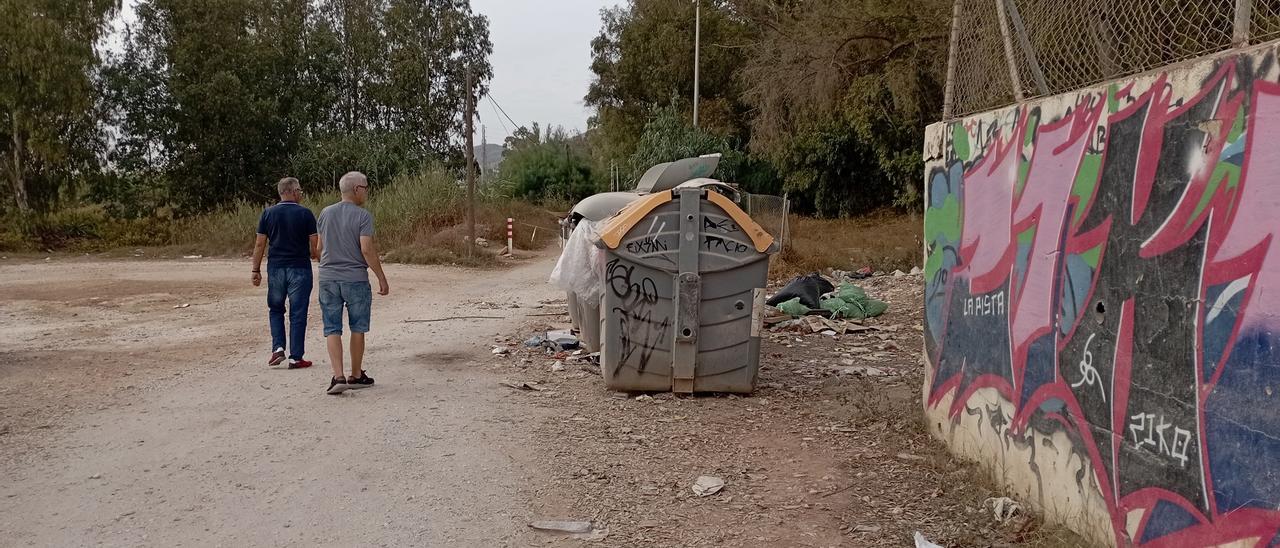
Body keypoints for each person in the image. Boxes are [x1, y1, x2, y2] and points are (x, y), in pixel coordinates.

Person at [317, 171, 390, 395]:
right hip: (355, 279)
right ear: (357, 189)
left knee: (332, 328)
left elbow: (319, 249)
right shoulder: (363, 216)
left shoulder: (325, 213)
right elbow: (366, 249)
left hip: (328, 278)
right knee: (357, 327)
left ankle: (338, 376)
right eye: (366, 187)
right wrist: (381, 277)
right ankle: (356, 375)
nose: (367, 192)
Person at [251, 177, 319, 369]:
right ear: (292, 191)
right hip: (300, 268)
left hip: (276, 268)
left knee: (276, 309)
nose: (301, 194)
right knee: (298, 312)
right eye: (300, 191)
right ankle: (296, 357)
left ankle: (278, 348)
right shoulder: (305, 214)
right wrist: (316, 256)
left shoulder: (268, 213)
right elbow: (315, 245)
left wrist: (255, 269)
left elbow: (259, 244)